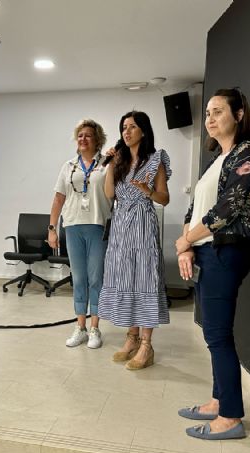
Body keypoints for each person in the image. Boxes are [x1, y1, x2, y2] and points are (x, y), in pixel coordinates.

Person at [176, 88, 250, 440]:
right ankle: (219, 401)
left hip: (225, 252)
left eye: (218, 112)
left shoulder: (248, 154)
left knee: (218, 335)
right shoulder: (217, 159)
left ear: (239, 114)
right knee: (212, 333)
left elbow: (226, 210)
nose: (210, 119)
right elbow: (194, 209)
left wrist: (187, 239)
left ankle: (230, 417)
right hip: (205, 251)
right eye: (208, 113)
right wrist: (186, 246)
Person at [98, 111, 171, 370]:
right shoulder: (119, 160)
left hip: (142, 222)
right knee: (126, 277)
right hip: (121, 226)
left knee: (144, 277)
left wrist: (147, 191)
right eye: (123, 128)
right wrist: (110, 164)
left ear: (143, 130)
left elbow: (164, 198)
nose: (126, 132)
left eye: (132, 127)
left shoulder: (155, 159)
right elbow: (109, 194)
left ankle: (146, 345)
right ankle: (131, 338)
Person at [49, 119, 111, 349]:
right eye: (80, 135)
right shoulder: (68, 166)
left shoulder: (106, 165)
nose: (83, 139)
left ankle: (95, 328)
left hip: (97, 226)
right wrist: (52, 228)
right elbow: (59, 198)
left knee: (96, 278)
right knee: (78, 278)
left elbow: (113, 193)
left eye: (88, 135)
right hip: (73, 226)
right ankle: (80, 327)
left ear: (97, 140)